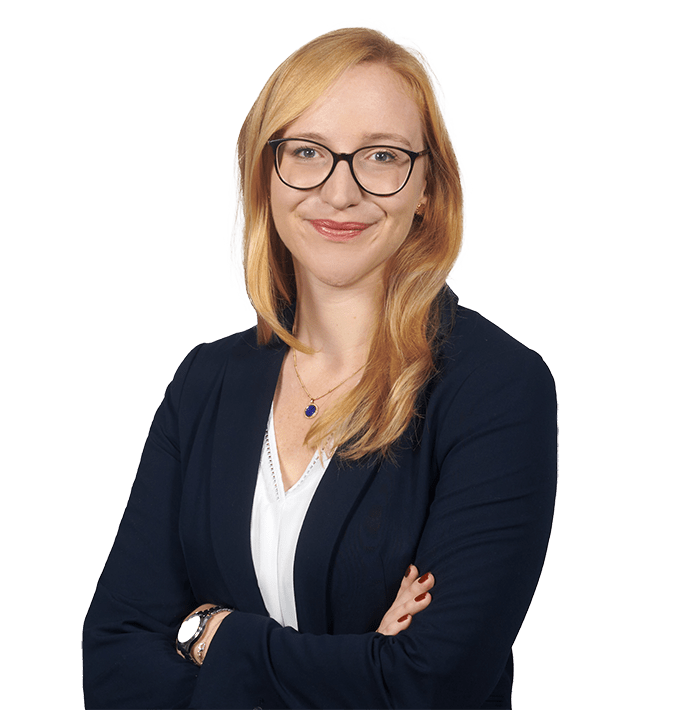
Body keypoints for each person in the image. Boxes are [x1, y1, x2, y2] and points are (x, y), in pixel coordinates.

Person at [82, 22, 558, 710]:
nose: (340, 193)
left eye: (382, 156)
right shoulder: (205, 383)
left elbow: (429, 685)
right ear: (265, 175)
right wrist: (362, 659)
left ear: (428, 186)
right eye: (307, 152)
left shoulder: (495, 389)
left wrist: (219, 637)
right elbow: (115, 661)